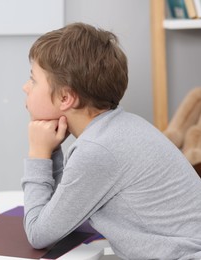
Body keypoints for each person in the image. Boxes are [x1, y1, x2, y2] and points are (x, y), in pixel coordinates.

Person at [21, 22, 201, 259]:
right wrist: (51, 149)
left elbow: (38, 233)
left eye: (33, 80)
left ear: (65, 97)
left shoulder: (98, 150)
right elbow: (61, 213)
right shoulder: (121, 128)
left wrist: (38, 154)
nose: (26, 88)